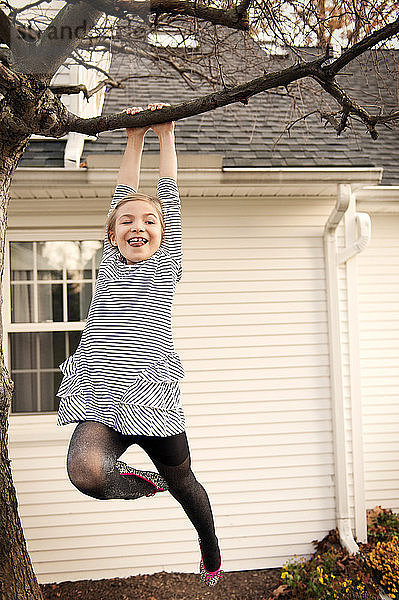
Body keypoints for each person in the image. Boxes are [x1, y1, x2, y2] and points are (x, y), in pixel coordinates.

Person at [56, 103, 224, 587]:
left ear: (163, 234)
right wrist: (133, 139)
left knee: (185, 484)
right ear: (112, 235)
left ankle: (209, 549)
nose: (138, 226)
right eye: (127, 221)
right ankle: (135, 484)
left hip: (151, 399)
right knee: (86, 472)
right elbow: (123, 194)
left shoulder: (166, 265)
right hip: (100, 399)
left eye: (149, 222)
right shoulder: (110, 265)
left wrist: (164, 136)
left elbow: (166, 197)